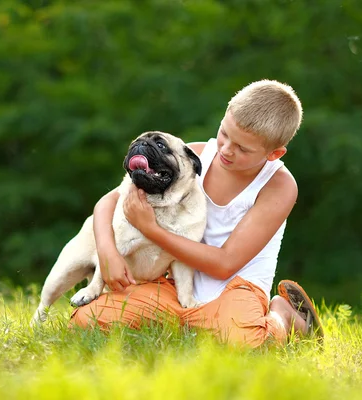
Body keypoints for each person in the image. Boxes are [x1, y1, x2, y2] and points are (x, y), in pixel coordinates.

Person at [70, 80, 323, 347]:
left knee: (241, 344)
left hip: (236, 289)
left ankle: (282, 315)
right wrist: (108, 251)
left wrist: (151, 229)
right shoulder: (193, 156)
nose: (226, 149)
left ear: (274, 154)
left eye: (243, 149)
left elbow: (225, 263)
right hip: (174, 284)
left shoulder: (278, 187)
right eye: (225, 134)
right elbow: (108, 202)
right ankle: (191, 323)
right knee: (86, 321)